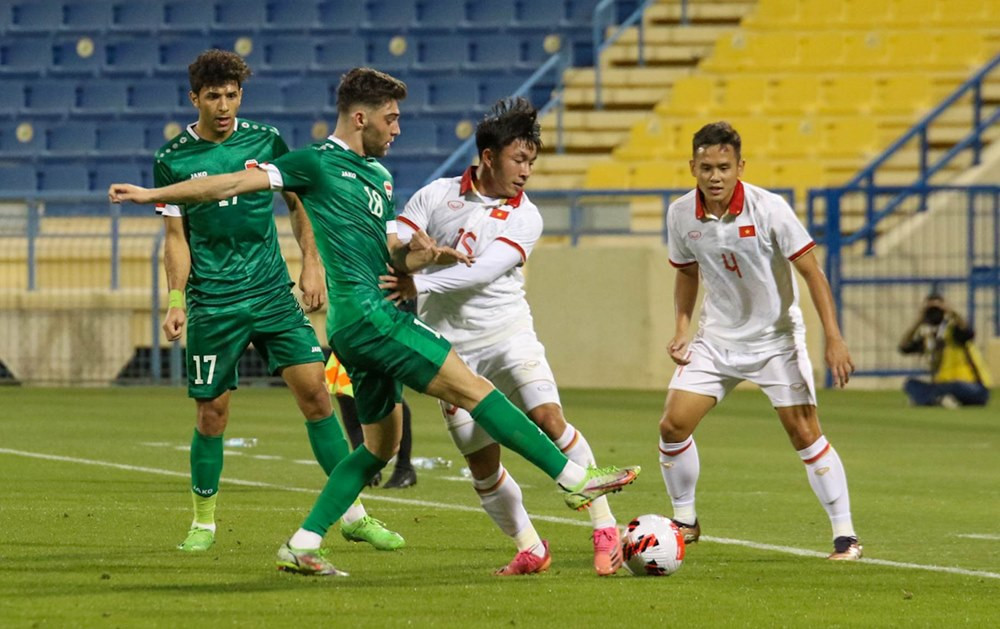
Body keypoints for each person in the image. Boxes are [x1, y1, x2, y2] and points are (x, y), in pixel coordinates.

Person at [109, 67, 640, 577]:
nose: (398, 128)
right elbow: (223, 184)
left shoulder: (379, 177)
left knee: (380, 446)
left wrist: (422, 255)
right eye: (391, 117)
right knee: (473, 388)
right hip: (368, 318)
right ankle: (574, 479)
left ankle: (304, 543)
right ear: (360, 118)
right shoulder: (314, 162)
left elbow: (388, 254)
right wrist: (154, 196)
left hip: (359, 326)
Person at [154, 51, 403, 554]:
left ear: (240, 96)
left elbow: (299, 201)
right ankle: (204, 522)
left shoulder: (265, 140)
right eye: (213, 96)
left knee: (316, 394)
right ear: (194, 99)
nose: (224, 105)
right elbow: (176, 237)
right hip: (214, 301)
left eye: (231, 95)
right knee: (212, 414)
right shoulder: (172, 160)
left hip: (271, 293)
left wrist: (311, 263)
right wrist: (176, 299)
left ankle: (353, 514)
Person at [382, 97, 623, 576]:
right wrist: (412, 247)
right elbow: (394, 233)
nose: (526, 171)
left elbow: (483, 272)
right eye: (519, 159)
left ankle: (605, 528)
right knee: (482, 464)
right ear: (488, 157)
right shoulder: (436, 196)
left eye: (531, 162)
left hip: (508, 334)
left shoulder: (525, 216)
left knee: (550, 420)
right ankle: (530, 546)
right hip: (450, 348)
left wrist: (419, 281)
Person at [660, 121, 862, 560]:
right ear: (692, 166)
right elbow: (687, 272)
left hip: (775, 340)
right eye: (706, 167)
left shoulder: (770, 209)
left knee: (805, 433)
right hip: (716, 339)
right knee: (672, 425)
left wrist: (834, 338)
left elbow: (812, 272)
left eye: (724, 167)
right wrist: (681, 329)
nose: (715, 176)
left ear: (740, 167)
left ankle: (845, 535)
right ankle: (684, 521)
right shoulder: (680, 214)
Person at [326, 351, 418, 488]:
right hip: (347, 345)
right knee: (348, 403)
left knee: (392, 400)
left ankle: (404, 468)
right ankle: (367, 468)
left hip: (375, 345)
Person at [898, 289, 991, 407]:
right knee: (910, 384)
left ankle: (929, 399)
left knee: (953, 386)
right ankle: (938, 399)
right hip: (943, 385)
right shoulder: (929, 337)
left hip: (972, 386)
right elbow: (903, 347)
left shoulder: (953, 331)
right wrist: (919, 320)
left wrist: (951, 311)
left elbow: (968, 333)